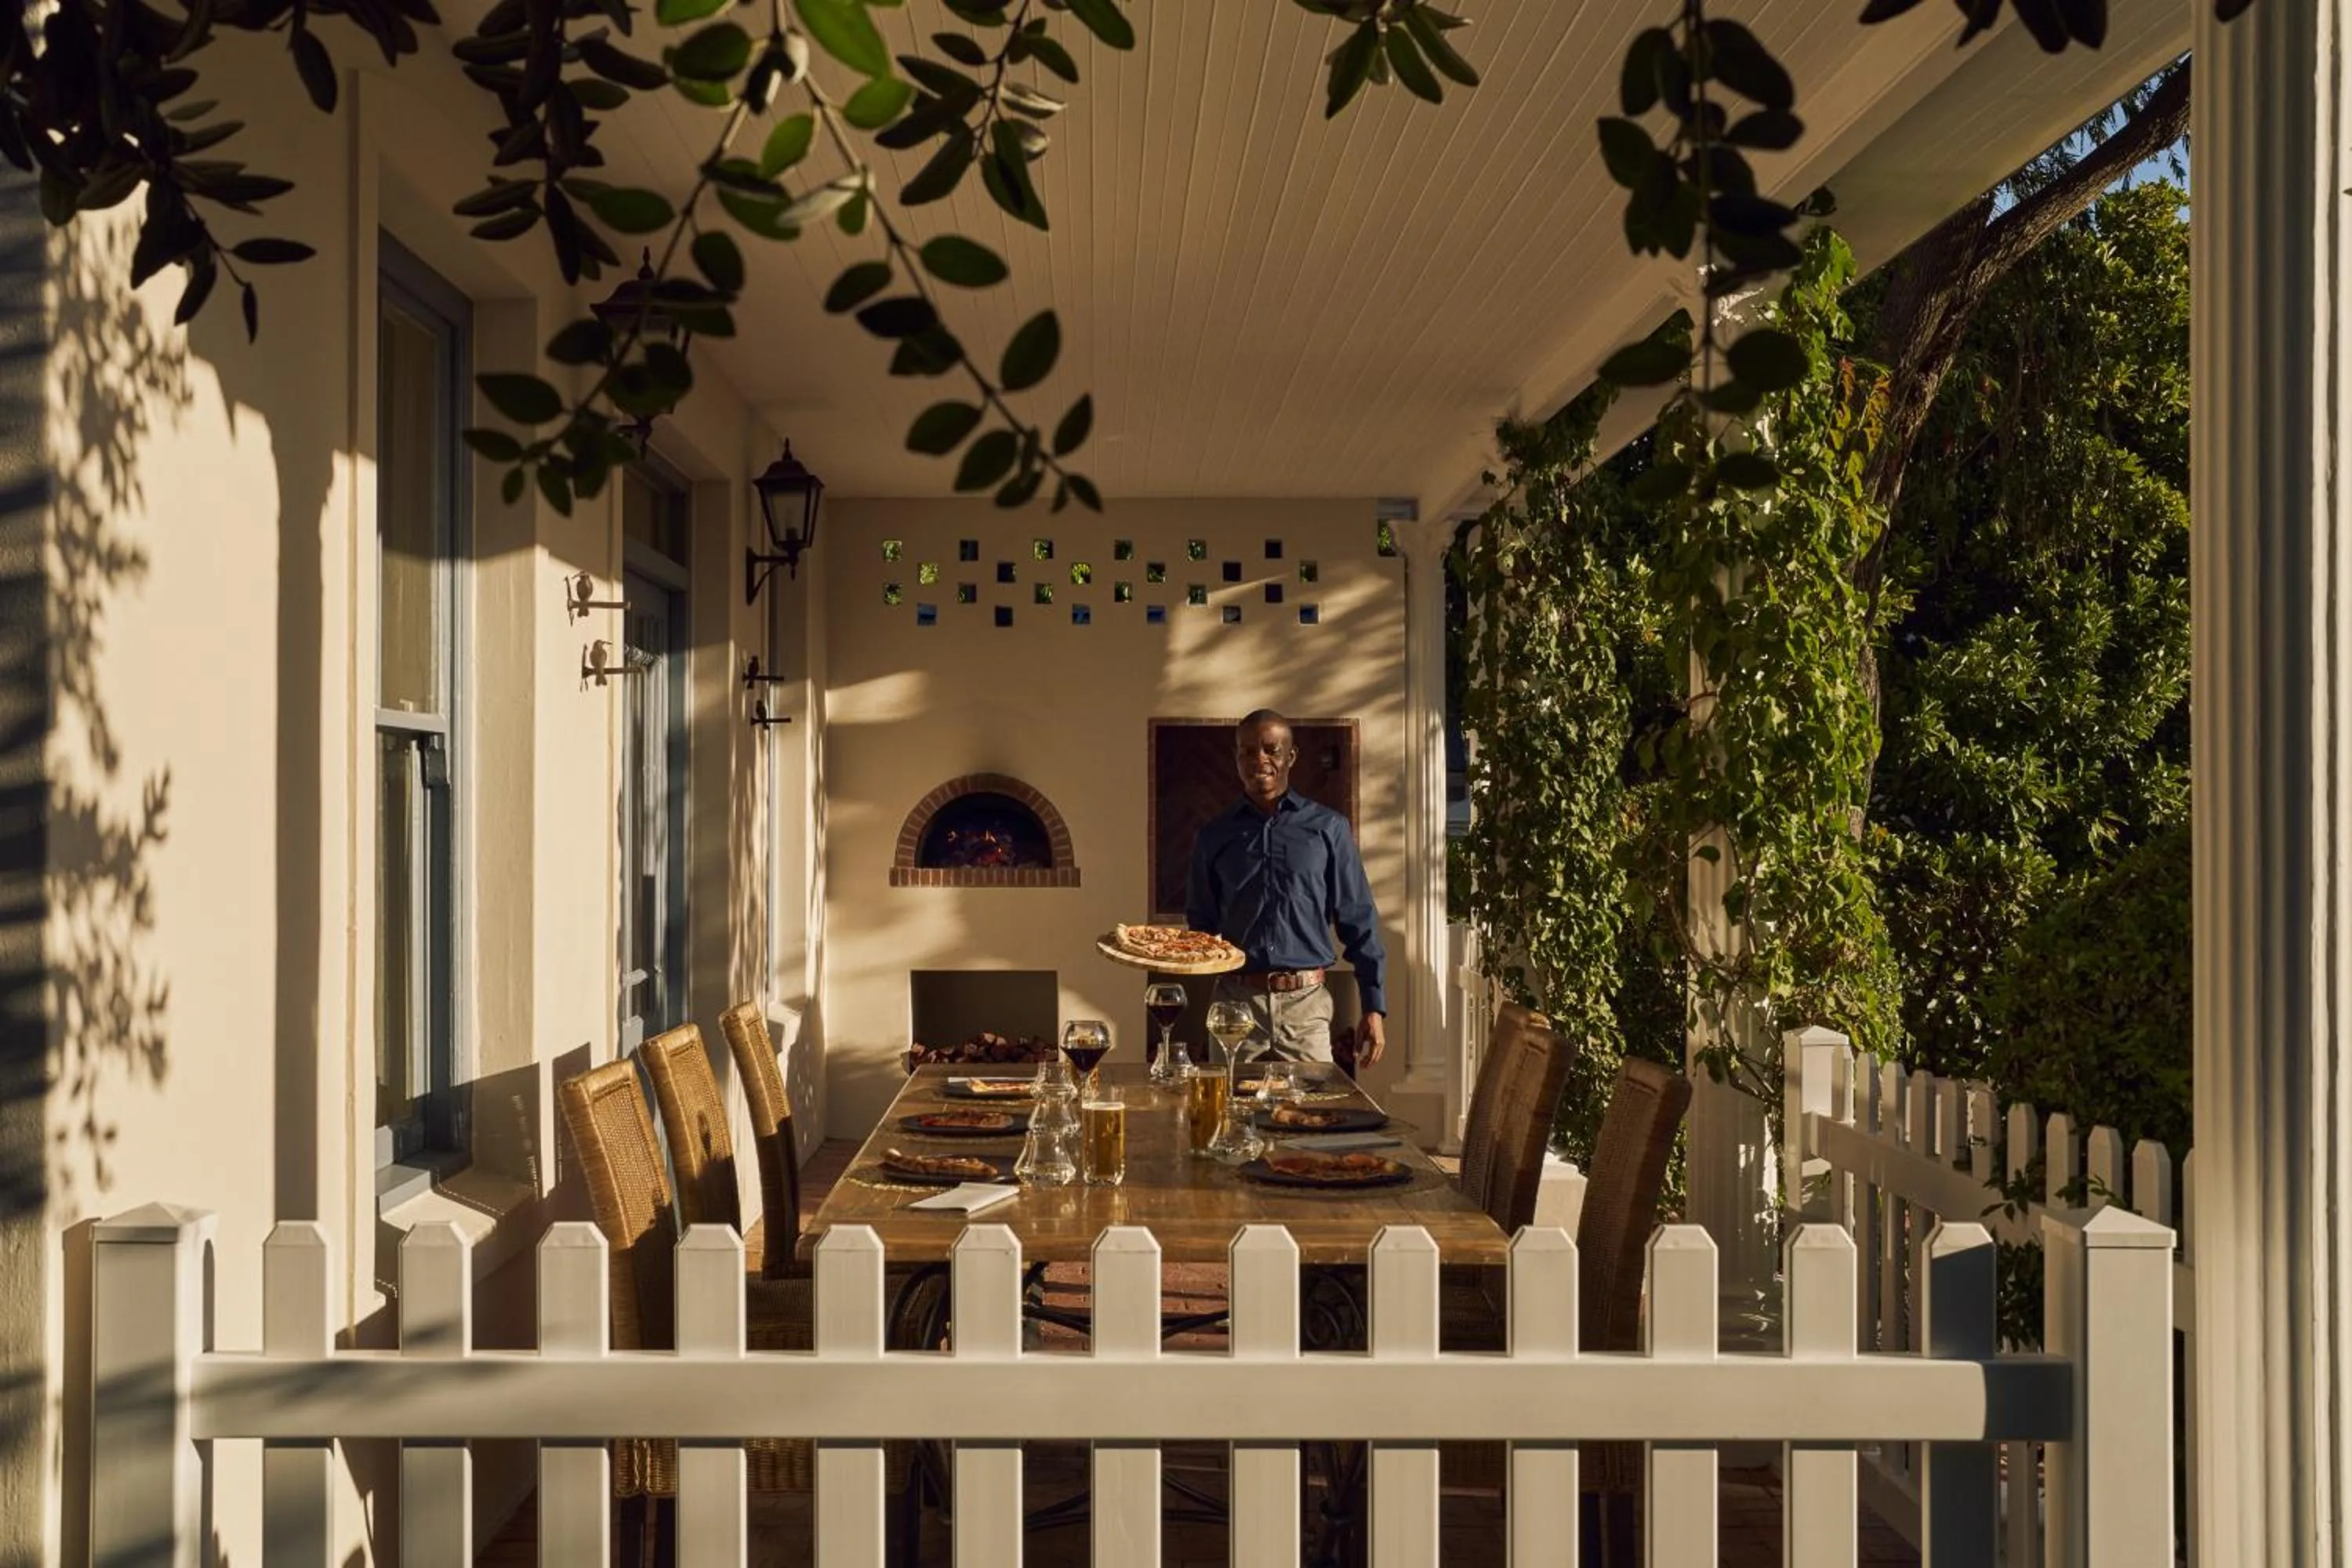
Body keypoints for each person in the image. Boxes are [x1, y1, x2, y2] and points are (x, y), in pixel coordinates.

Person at [1185, 710, 1387, 1066]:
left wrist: (1373, 1006)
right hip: (1235, 1007)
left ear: (1290, 756)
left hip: (1306, 1008)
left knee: (1311, 1116)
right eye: (1247, 751)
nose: (1258, 760)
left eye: (1270, 750)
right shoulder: (1213, 836)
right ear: (1236, 758)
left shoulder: (1329, 829)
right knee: (1231, 1117)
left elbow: (1359, 920)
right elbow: (1202, 926)